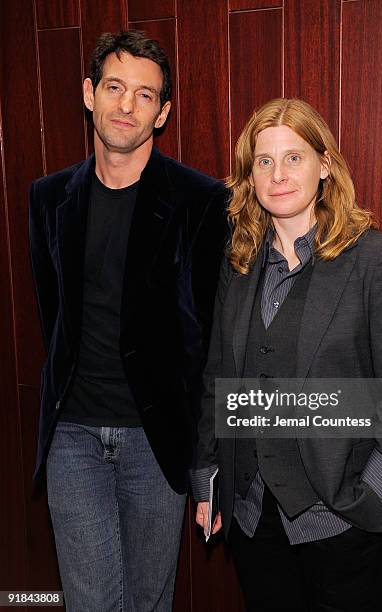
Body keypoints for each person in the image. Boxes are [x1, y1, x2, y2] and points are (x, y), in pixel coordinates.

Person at [191, 98, 382, 612]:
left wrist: (376, 496)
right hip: (252, 517)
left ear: (325, 165)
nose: (279, 174)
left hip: (342, 518)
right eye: (264, 161)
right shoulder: (237, 264)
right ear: (249, 175)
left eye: (294, 157)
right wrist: (210, 477)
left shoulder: (374, 260)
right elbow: (218, 377)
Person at [29, 30, 227, 612]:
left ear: (163, 113)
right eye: (114, 87)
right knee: (90, 602)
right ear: (89, 93)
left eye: (145, 95)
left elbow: (212, 337)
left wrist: (208, 461)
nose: (126, 105)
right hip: (73, 436)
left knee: (148, 601)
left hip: (157, 439)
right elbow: (53, 315)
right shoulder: (47, 198)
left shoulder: (199, 200)